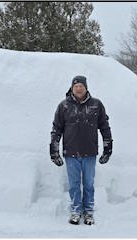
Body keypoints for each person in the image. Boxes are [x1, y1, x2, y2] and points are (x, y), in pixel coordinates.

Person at [49, 75, 113, 225]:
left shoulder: (96, 105)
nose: (79, 88)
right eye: (76, 86)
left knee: (89, 184)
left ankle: (89, 212)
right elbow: (56, 130)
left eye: (81, 86)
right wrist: (54, 150)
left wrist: (107, 148)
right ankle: (76, 211)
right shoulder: (63, 106)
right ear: (72, 88)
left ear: (86, 87)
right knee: (74, 184)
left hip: (89, 152)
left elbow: (104, 127)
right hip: (70, 153)